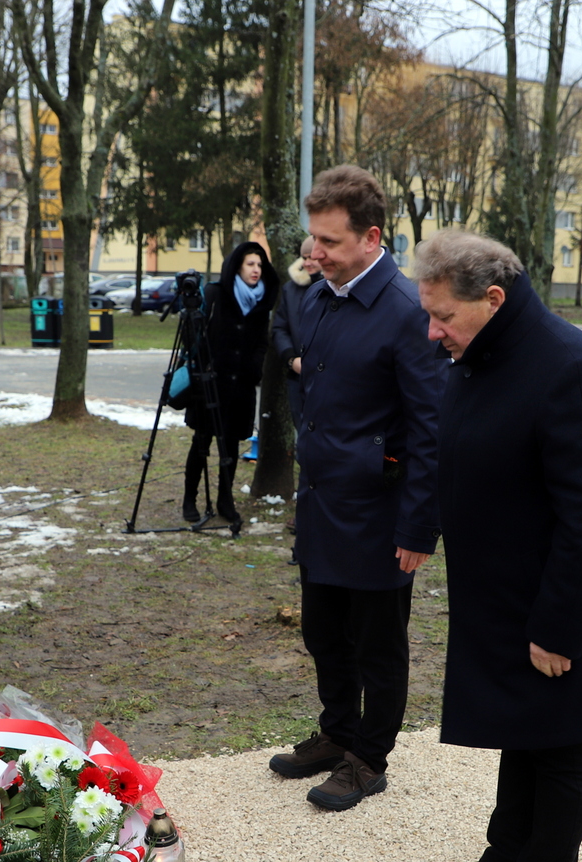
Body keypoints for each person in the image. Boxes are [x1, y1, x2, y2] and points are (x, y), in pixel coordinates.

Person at [412, 229, 582, 862]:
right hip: (506, 592)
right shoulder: (480, 356)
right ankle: (504, 858)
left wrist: (559, 626)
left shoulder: (569, 368)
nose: (432, 331)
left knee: (562, 741)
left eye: (444, 316)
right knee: (522, 729)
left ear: (494, 298)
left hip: (563, 600)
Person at [265, 165, 446, 812]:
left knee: (377, 644)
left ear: (372, 238)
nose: (314, 253)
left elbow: (431, 431)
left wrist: (418, 526)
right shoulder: (318, 297)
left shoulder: (406, 312)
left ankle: (369, 757)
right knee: (323, 631)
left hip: (379, 509)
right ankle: (337, 731)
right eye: (312, 239)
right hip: (322, 501)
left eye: (330, 242)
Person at [182, 241, 278, 532]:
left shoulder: (262, 303)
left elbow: (262, 342)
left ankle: (226, 500)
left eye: (260, 265)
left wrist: (255, 368)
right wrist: (204, 365)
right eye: (251, 264)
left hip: (242, 386)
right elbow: (193, 334)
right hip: (210, 384)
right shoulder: (215, 293)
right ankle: (190, 499)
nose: (256, 270)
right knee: (201, 442)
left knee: (232, 447)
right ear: (238, 266)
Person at [274, 236, 319, 422]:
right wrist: (291, 359)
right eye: (304, 258)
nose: (307, 263)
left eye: (312, 257)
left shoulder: (337, 287)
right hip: (297, 377)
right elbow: (279, 327)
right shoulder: (290, 290)